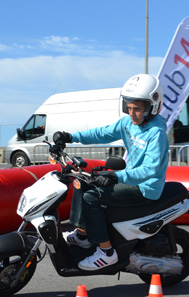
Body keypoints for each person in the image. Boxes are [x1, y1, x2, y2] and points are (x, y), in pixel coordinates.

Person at [53, 74, 169, 271]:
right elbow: (101, 133)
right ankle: (82, 235)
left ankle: (107, 253)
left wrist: (117, 176)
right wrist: (70, 136)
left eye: (137, 109)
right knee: (84, 180)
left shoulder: (156, 133)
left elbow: (150, 170)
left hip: (145, 187)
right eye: (128, 108)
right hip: (130, 178)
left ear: (152, 107)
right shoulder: (128, 124)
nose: (132, 113)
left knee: (92, 197)